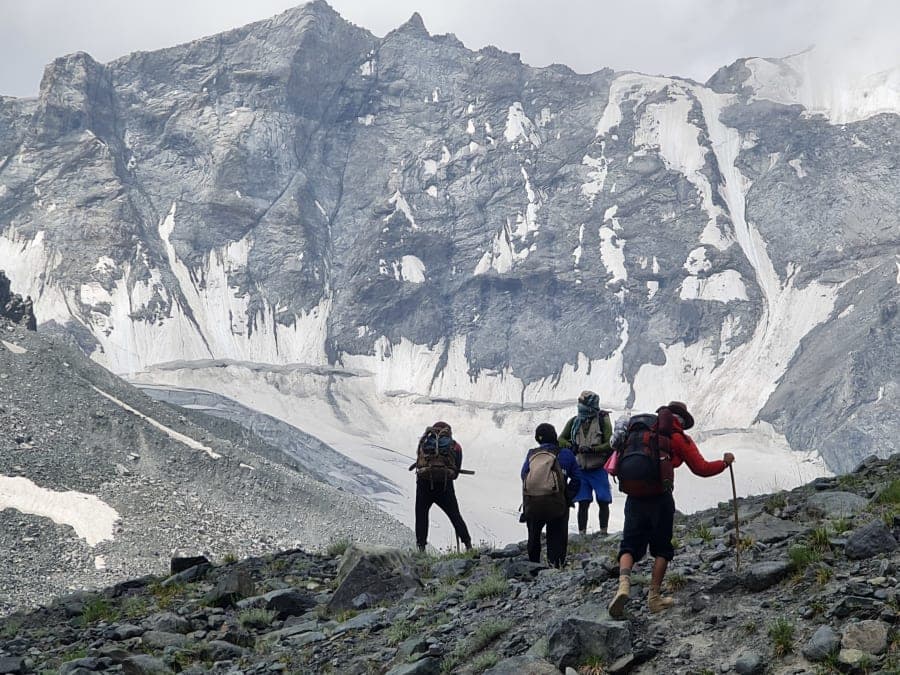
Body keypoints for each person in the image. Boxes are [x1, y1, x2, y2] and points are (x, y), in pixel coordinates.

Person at [608, 401, 734, 617]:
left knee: (629, 545)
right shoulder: (676, 437)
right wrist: (724, 463)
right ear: (682, 420)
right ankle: (654, 598)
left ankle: (623, 586)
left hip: (634, 497)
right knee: (662, 548)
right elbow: (701, 468)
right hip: (660, 498)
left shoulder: (640, 432)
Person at [520, 423, 582, 568]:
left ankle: (533, 565)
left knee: (534, 534)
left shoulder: (532, 454)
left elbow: (524, 475)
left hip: (534, 503)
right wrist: (568, 497)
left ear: (538, 438)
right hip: (557, 504)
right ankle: (556, 565)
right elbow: (577, 479)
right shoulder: (566, 454)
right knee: (557, 534)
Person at [412, 421, 472, 553]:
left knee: (421, 515)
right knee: (455, 515)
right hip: (445, 486)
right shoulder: (455, 446)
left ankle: (421, 548)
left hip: (424, 484)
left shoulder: (424, 442)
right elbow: (455, 472)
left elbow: (419, 463)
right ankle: (468, 545)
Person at [559, 391, 613, 535]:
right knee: (583, 502)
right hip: (581, 469)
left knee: (603, 501)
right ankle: (582, 533)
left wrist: (593, 450)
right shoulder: (574, 421)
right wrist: (572, 447)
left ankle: (603, 532)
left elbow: (610, 444)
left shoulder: (603, 421)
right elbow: (561, 440)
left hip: (598, 468)